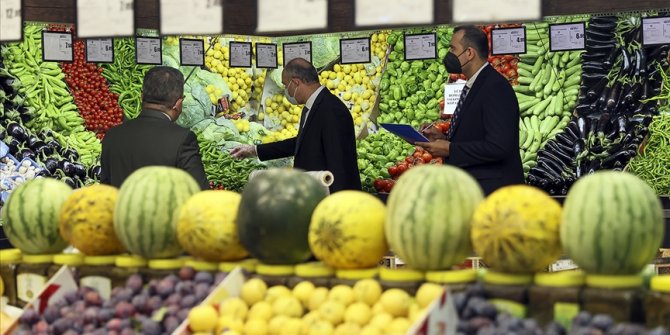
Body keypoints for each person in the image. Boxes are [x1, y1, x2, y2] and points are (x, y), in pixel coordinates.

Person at [417, 25, 524, 195]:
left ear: (469, 53)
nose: (449, 54)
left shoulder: (495, 87)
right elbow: (477, 134)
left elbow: (499, 146)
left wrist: (450, 149)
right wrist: (442, 137)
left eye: (453, 48)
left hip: (493, 194)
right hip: (474, 190)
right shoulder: (474, 84)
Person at [231, 58, 361, 193]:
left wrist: (336, 204)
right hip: (314, 192)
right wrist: (254, 150)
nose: (286, 90)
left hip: (331, 196)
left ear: (295, 82)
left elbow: (339, 163)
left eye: (286, 85)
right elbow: (300, 143)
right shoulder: (313, 107)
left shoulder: (332, 110)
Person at [100, 66, 208, 190]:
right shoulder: (183, 139)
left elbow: (105, 190)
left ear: (141, 97)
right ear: (178, 104)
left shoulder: (113, 135)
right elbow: (200, 193)